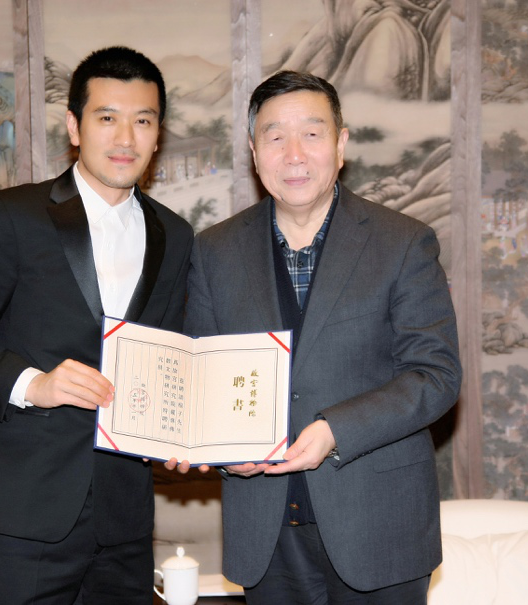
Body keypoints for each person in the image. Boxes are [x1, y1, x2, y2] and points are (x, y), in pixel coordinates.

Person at [170, 71, 461, 604]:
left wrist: (334, 430)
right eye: (275, 136)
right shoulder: (214, 251)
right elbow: (203, 374)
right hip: (266, 528)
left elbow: (436, 376)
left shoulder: (402, 242)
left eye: (311, 133)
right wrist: (214, 446)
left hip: (378, 525)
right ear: (253, 152)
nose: (294, 154)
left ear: (341, 144)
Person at [0, 46, 193, 604]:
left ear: (158, 134)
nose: (125, 138)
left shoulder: (176, 234)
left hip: (124, 522)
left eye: (142, 121)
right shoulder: (14, 215)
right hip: (23, 515)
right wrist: (33, 384)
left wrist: (181, 429)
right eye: (107, 117)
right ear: (74, 126)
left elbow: (171, 354)